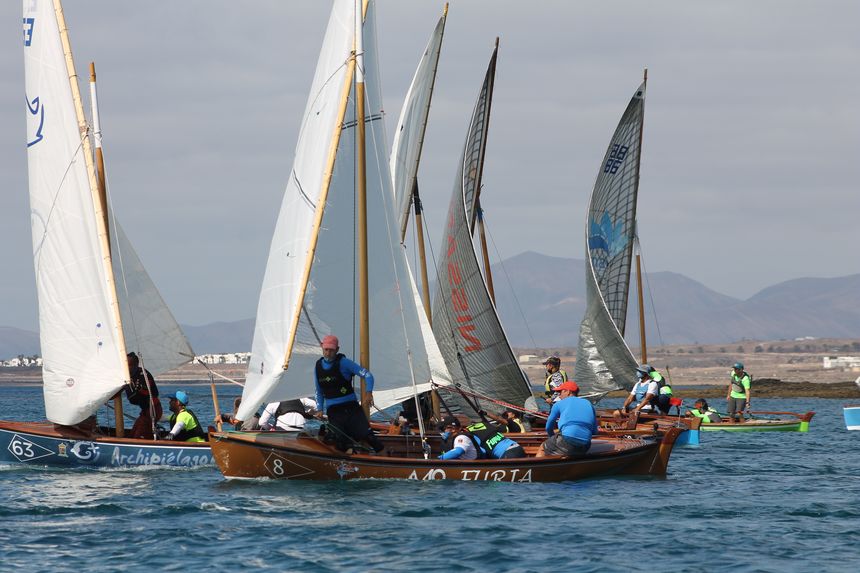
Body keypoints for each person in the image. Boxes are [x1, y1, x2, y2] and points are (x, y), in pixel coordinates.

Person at [314, 334, 384, 453]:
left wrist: (369, 393)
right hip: (334, 412)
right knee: (340, 442)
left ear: (337, 349)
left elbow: (368, 375)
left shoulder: (344, 363)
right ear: (322, 347)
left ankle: (383, 458)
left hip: (351, 408)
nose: (328, 353)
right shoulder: (318, 366)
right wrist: (320, 409)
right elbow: (318, 390)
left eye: (331, 350)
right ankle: (350, 459)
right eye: (326, 349)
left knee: (369, 437)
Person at [537, 381, 598, 457]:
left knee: (543, 448)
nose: (559, 396)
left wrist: (552, 438)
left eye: (560, 392)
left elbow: (548, 427)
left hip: (568, 440)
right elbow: (595, 431)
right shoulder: (588, 403)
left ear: (568, 392)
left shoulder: (558, 404)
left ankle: (536, 465)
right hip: (586, 445)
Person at [125, 352, 162, 439]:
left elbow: (143, 393)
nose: (126, 368)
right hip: (145, 412)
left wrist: (128, 385)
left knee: (138, 436)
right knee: (132, 433)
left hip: (153, 411)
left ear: (136, 365)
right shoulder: (129, 376)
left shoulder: (143, 375)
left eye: (129, 365)